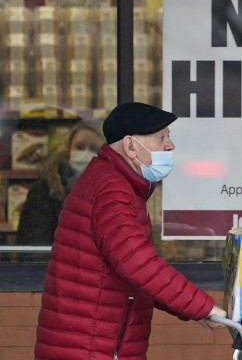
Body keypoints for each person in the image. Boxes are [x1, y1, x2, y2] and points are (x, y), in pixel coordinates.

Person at [35, 102, 226, 360]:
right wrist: (203, 307)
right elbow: (138, 264)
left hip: (91, 344)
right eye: (161, 138)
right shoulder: (112, 191)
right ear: (130, 146)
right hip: (91, 348)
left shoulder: (114, 182)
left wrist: (194, 310)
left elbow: (134, 273)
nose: (170, 145)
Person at [16, 122, 105, 261]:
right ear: (68, 149)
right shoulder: (45, 190)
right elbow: (33, 247)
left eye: (94, 148)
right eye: (79, 147)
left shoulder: (114, 191)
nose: (85, 153)